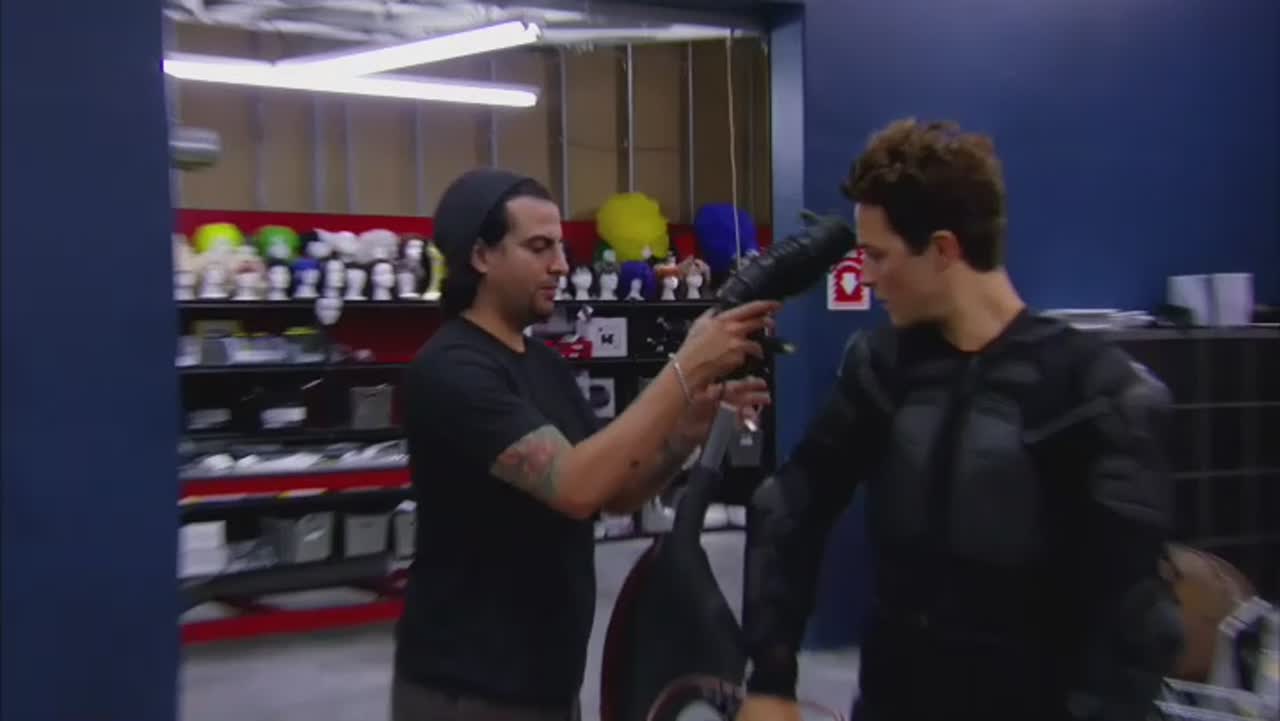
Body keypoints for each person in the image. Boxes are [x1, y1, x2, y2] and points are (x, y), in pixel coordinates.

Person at [736, 120, 1183, 721]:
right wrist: (770, 679)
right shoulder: (883, 369)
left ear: (944, 249)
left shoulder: (1094, 390)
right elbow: (791, 506)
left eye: (878, 256)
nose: (864, 276)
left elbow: (1131, 621)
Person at [392, 168, 778, 721]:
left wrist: (681, 438)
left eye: (561, 248)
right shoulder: (452, 370)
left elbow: (612, 494)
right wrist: (686, 367)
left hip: (549, 683)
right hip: (466, 690)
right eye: (539, 248)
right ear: (480, 256)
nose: (560, 265)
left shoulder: (545, 366)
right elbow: (574, 487)